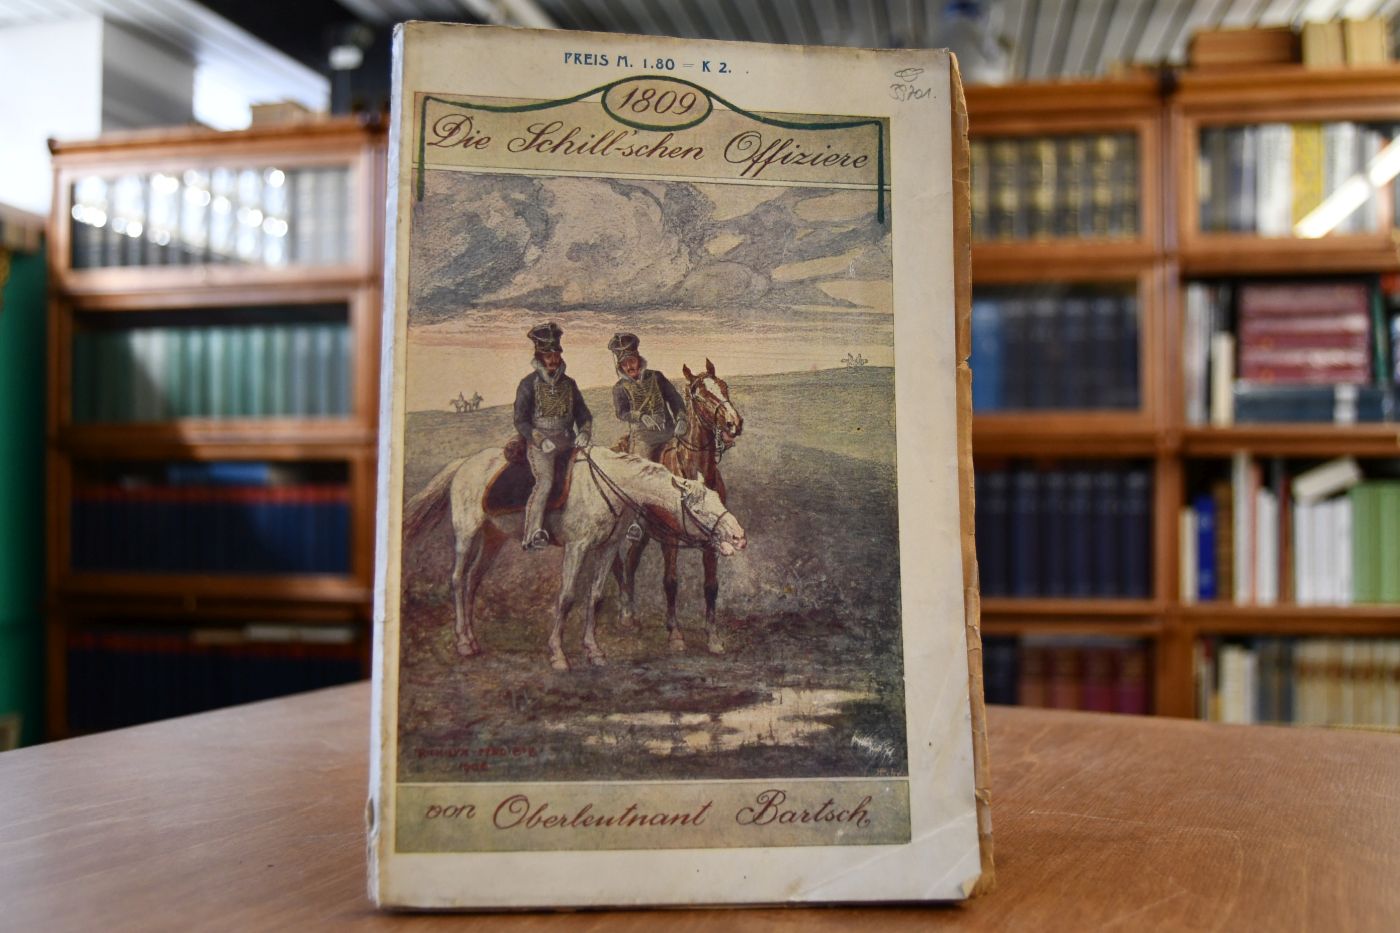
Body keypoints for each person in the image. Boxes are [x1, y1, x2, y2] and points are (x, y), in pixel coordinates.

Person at [514, 322, 592, 550]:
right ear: (540, 356)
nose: (553, 359)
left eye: (556, 354)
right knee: (545, 482)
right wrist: (539, 439)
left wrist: (584, 432)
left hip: (569, 442)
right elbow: (520, 420)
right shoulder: (527, 384)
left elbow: (583, 414)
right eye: (548, 355)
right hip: (541, 445)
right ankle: (532, 534)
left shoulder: (569, 384)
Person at [608, 332, 688, 462]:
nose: (629, 367)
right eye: (624, 364)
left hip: (670, 433)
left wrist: (681, 419)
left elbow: (675, 399)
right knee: (642, 470)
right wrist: (641, 416)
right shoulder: (619, 388)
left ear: (638, 360)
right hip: (643, 439)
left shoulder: (657, 376)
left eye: (632, 361)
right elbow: (621, 413)